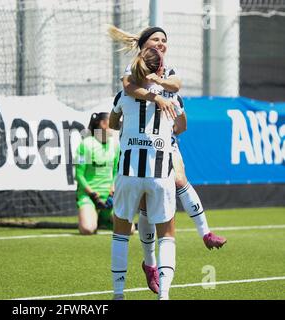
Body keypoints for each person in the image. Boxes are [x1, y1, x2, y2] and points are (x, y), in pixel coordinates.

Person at [109, 25, 227, 295]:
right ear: (144, 45)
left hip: (137, 164)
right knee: (155, 217)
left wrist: (158, 88)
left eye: (164, 40)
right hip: (155, 164)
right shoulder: (133, 78)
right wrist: (157, 96)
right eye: (156, 40)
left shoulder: (163, 78)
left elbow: (118, 117)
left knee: (175, 182)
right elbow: (131, 87)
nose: (161, 44)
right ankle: (155, 274)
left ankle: (204, 233)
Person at [110, 47, 177, 300]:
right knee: (167, 236)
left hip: (128, 172)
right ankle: (164, 295)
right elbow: (181, 126)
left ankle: (118, 294)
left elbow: (112, 123)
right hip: (159, 174)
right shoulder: (171, 96)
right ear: (161, 70)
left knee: (120, 234)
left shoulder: (123, 95)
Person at [75, 112, 119, 234]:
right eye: (113, 123)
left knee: (130, 230)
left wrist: (112, 190)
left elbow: (116, 171)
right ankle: (92, 215)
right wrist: (93, 195)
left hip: (108, 198)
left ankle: (103, 219)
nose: (116, 126)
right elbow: (79, 175)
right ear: (103, 124)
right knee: (87, 229)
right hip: (89, 196)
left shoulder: (115, 145)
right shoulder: (86, 144)